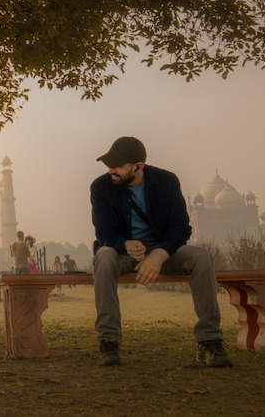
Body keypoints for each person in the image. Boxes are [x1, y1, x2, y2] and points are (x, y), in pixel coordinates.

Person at [90, 136, 232, 368]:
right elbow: (104, 231)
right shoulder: (101, 186)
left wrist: (160, 253)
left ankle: (209, 340)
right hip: (123, 252)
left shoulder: (166, 181)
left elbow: (181, 227)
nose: (111, 170)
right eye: (109, 165)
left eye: (117, 166)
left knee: (202, 256)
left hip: (163, 249)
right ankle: (108, 341)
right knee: (104, 257)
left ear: (138, 167)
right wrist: (125, 244)